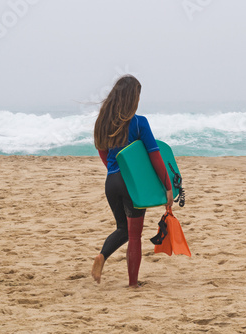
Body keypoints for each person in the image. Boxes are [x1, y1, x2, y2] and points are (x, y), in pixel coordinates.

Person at [91, 75, 173, 287]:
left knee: (122, 229)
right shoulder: (139, 123)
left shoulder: (102, 122)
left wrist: (114, 172)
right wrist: (168, 186)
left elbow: (103, 153)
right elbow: (155, 157)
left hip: (111, 182)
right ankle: (133, 284)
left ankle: (102, 256)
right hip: (131, 185)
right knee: (134, 235)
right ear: (132, 98)